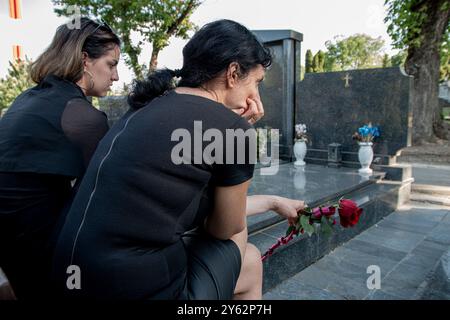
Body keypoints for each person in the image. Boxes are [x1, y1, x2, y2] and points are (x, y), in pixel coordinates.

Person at [51, 19, 305, 300]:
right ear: (233, 73)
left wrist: (272, 202)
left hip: (71, 276)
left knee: (250, 263)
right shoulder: (232, 129)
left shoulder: (144, 108)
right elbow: (224, 227)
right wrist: (239, 135)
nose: (256, 98)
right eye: (256, 83)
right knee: (238, 238)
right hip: (136, 288)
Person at [0, 17, 121, 299]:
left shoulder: (28, 98)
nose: (116, 77)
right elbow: (105, 197)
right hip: (31, 240)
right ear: (84, 61)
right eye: (111, 64)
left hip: (9, 240)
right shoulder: (83, 118)